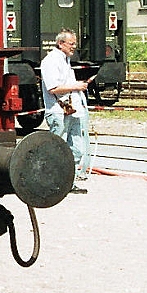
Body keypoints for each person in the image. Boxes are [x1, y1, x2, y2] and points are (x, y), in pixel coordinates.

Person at [40, 30, 92, 193]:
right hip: (57, 111)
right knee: (58, 148)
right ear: (60, 44)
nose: (74, 47)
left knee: (77, 147)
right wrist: (77, 86)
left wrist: (77, 85)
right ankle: (53, 182)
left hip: (73, 110)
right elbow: (53, 88)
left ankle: (69, 182)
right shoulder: (51, 61)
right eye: (71, 44)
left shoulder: (65, 61)